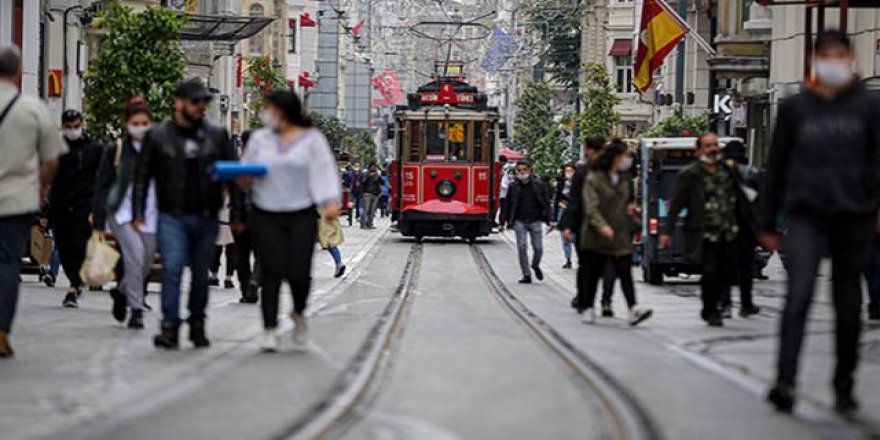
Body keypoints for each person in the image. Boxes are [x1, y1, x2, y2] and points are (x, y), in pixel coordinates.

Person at [760, 31, 880, 414]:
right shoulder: (796, 108)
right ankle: (785, 380)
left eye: (839, 53)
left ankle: (844, 385)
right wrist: (766, 222)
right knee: (798, 296)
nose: (833, 60)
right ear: (814, 59)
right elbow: (775, 166)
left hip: (853, 216)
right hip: (806, 214)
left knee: (847, 305)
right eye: (825, 53)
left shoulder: (868, 108)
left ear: (850, 58)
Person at [132, 78, 240, 350]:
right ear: (178, 103)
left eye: (204, 102)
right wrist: (138, 211)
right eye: (195, 102)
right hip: (172, 215)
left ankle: (197, 323)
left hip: (206, 215)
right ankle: (170, 326)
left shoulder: (217, 135)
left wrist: (239, 213)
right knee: (172, 269)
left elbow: (233, 176)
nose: (200, 107)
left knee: (201, 275)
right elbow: (142, 175)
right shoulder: (158, 136)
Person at [238, 90, 341, 352]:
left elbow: (325, 171)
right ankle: (269, 328)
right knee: (270, 271)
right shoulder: (260, 139)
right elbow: (245, 171)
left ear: (284, 111)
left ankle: (298, 311)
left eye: (269, 108)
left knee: (298, 272)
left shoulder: (312, 139)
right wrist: (244, 179)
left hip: (301, 213)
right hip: (265, 212)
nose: (265, 113)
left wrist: (330, 201)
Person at [0, 46, 66, 357]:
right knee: (7, 264)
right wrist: (40, 188)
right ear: (17, 72)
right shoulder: (33, 109)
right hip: (15, 202)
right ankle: (1, 332)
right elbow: (52, 160)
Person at [660, 133, 758, 327]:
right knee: (710, 271)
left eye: (715, 145)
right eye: (707, 146)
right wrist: (667, 230)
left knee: (726, 272)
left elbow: (742, 200)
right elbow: (677, 203)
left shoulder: (728, 171)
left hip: (728, 231)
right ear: (699, 151)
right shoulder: (690, 174)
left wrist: (757, 228)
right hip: (703, 233)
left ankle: (717, 305)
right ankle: (711, 309)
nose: (712, 149)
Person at [92, 97, 158, 329]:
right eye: (135, 122)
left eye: (144, 122)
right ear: (127, 123)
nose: (140, 126)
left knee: (145, 263)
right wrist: (98, 219)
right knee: (135, 257)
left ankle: (121, 293)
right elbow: (102, 185)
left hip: (151, 214)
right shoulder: (116, 149)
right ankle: (136, 310)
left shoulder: (158, 149)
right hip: (122, 213)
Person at [576, 141, 652, 326]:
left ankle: (633, 308)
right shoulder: (594, 178)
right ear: (615, 157)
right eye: (624, 155)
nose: (627, 159)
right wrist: (602, 226)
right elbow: (591, 207)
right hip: (597, 234)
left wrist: (632, 213)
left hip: (620, 232)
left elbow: (628, 202)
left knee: (624, 271)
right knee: (593, 272)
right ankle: (588, 307)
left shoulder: (625, 178)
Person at [48, 109, 104, 308]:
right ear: (63, 127)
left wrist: (98, 207)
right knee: (63, 247)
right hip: (61, 205)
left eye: (76, 126)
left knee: (79, 244)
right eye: (69, 127)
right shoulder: (56, 149)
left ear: (82, 124)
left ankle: (73, 287)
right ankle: (75, 280)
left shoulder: (94, 149)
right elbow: (50, 179)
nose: (73, 130)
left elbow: (102, 179)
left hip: (84, 205)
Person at [718, 140, 763, 319]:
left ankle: (725, 304)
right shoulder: (752, 173)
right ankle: (746, 304)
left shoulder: (721, 172)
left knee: (724, 268)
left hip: (725, 226)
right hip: (746, 228)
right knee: (745, 268)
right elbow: (761, 201)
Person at [559, 137, 605, 308]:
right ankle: (590, 299)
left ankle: (585, 298)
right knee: (592, 264)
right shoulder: (601, 171)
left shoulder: (584, 172)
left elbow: (574, 201)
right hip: (597, 225)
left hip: (586, 224)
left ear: (590, 150)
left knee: (586, 264)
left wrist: (567, 226)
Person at [502, 161, 553, 284]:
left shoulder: (539, 185)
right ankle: (526, 274)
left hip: (535, 220)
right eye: (519, 170)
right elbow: (507, 204)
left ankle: (535, 265)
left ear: (530, 171)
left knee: (538, 248)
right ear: (516, 172)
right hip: (519, 221)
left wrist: (550, 219)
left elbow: (546, 203)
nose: (522, 172)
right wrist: (502, 221)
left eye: (524, 170)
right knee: (522, 246)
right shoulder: (513, 186)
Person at [232, 129, 260, 304]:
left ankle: (246, 289)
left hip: (240, 216)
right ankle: (255, 281)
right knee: (262, 254)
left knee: (241, 254)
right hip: (261, 216)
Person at [209, 195, 236, 289]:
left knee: (216, 252)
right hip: (230, 225)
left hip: (222, 224)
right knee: (230, 253)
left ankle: (215, 276)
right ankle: (227, 278)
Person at [555, 163, 576, 269]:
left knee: (576, 238)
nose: (569, 173)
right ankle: (568, 260)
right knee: (564, 237)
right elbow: (557, 197)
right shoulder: (561, 183)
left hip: (575, 212)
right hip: (562, 211)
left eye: (571, 171)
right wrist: (559, 204)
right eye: (567, 171)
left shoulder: (579, 184)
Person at [360, 164, 382, 229]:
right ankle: (363, 224)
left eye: (374, 167)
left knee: (372, 210)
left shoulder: (377, 174)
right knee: (366, 209)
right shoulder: (366, 173)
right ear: (369, 168)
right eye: (372, 167)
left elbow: (381, 183)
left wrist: (379, 177)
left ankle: (370, 223)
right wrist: (369, 176)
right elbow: (363, 182)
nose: (373, 169)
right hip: (367, 193)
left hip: (375, 194)